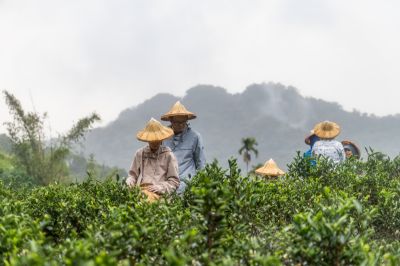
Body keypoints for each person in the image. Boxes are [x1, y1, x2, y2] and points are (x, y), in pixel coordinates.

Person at [126, 118, 180, 202]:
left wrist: (160, 187)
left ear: (161, 138)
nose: (154, 142)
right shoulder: (140, 154)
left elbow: (174, 181)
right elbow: (133, 175)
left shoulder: (168, 155)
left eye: (157, 139)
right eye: (152, 140)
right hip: (140, 192)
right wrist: (129, 182)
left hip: (160, 195)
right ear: (148, 139)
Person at [161, 101, 206, 193]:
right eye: (177, 122)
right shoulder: (163, 137)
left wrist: (201, 185)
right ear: (171, 121)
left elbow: (201, 163)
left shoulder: (195, 137)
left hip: (188, 185)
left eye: (183, 122)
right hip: (167, 185)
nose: (181, 125)